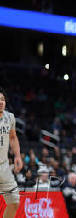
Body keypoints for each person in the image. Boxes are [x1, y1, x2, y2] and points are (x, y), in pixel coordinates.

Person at [0, 88, 23, 218]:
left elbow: (13, 137)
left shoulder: (10, 117)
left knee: (14, 202)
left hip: (3, 166)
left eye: (2, 100)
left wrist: (17, 156)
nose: (1, 102)